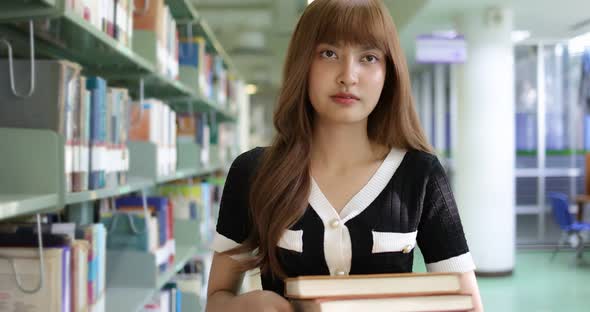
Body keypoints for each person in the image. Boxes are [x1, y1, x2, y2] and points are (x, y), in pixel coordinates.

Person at [206, 0, 483, 311]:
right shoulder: (253, 171)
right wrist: (245, 306)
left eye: (368, 57)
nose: (348, 76)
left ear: (388, 72)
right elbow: (217, 299)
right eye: (329, 53)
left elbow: (468, 304)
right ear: (303, 64)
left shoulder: (420, 174)